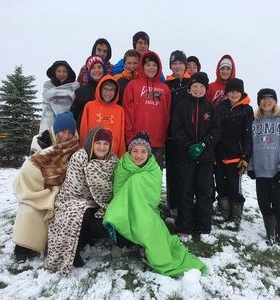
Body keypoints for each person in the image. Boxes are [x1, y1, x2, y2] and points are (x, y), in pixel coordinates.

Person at [103, 131, 207, 276]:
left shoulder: (153, 169)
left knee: (146, 221)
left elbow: (152, 197)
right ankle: (120, 242)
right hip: (124, 207)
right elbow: (118, 192)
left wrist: (136, 187)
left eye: (143, 151)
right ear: (130, 151)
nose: (139, 155)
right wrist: (131, 195)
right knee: (120, 215)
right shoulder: (122, 165)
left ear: (149, 153)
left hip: (145, 209)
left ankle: (145, 244)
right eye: (135, 151)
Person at [45, 127, 118, 275]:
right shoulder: (79, 158)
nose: (102, 147)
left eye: (106, 143)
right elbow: (75, 188)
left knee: (103, 224)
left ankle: (85, 238)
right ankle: (73, 252)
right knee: (79, 213)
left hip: (101, 203)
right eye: (98, 143)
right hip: (72, 200)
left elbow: (112, 188)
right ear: (91, 142)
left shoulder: (113, 161)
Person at [12, 112, 80, 261]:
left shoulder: (75, 148)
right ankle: (22, 247)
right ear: (56, 131)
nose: (66, 136)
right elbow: (32, 167)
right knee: (29, 209)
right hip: (42, 189)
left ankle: (43, 244)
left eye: (69, 132)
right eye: (62, 131)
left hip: (62, 191)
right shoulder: (43, 142)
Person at [172, 72, 221, 235]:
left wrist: (203, 144)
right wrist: (188, 146)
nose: (198, 89)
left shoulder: (211, 108)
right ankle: (185, 226)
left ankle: (204, 227)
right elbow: (176, 128)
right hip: (185, 156)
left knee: (204, 192)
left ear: (205, 89)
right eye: (194, 86)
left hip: (206, 158)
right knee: (185, 191)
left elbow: (216, 130)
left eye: (201, 87)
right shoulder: (182, 106)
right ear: (190, 88)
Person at [247, 88, 280, 246]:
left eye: (270, 98)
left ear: (275, 101)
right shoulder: (254, 122)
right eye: (263, 99)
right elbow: (251, 147)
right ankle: (270, 234)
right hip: (260, 172)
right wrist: (251, 167)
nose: (266, 101)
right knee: (264, 204)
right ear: (259, 102)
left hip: (277, 172)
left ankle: (279, 234)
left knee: (279, 205)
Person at [214, 78, 254, 231]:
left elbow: (248, 135)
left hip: (236, 157)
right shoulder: (219, 108)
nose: (234, 94)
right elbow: (215, 131)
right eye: (231, 91)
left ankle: (235, 218)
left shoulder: (246, 109)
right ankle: (225, 214)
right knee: (221, 186)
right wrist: (212, 154)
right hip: (219, 156)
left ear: (241, 92)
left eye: (237, 91)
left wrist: (246, 156)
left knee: (234, 188)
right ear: (226, 93)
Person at [123, 50, 171, 168]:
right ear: (142, 66)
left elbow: (167, 114)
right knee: (136, 178)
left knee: (153, 179)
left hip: (158, 142)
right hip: (137, 142)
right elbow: (128, 113)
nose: (151, 68)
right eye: (148, 65)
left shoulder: (164, 88)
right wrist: (130, 138)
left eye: (154, 65)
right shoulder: (133, 85)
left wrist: (164, 138)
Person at [165, 50, 191, 214]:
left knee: (187, 173)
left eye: (180, 63)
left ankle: (187, 204)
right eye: (174, 63)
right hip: (170, 135)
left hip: (189, 136)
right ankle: (173, 205)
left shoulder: (192, 83)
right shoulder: (167, 85)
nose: (177, 66)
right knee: (173, 172)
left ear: (185, 65)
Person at [80, 75, 126, 157]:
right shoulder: (89, 106)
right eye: (105, 89)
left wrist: (121, 156)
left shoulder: (120, 110)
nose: (108, 93)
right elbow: (84, 131)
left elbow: (121, 137)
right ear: (99, 89)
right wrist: (83, 153)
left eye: (112, 90)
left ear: (116, 92)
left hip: (112, 156)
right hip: (92, 154)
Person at [39, 61, 79, 134]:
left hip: (71, 124)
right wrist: (46, 130)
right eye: (58, 71)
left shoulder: (75, 86)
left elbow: (77, 107)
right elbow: (46, 109)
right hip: (53, 123)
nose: (61, 74)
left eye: (64, 71)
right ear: (54, 72)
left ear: (68, 73)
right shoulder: (48, 86)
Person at [70, 55, 106, 132]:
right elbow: (72, 116)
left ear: (104, 69)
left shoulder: (111, 90)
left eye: (99, 67)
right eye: (93, 67)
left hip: (106, 134)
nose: (96, 70)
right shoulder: (80, 92)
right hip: (85, 134)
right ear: (88, 71)